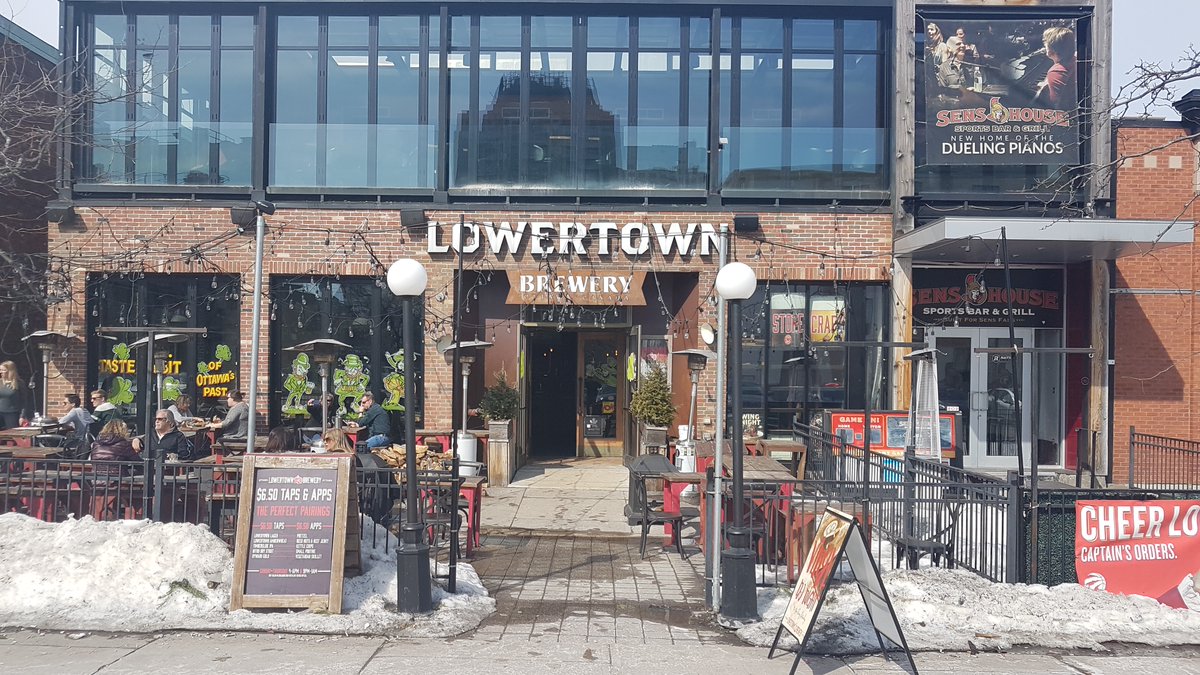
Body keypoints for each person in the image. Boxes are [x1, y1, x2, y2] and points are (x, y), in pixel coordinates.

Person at [1035, 26, 1076, 110]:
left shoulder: (1055, 72)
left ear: (1051, 50)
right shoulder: (1075, 58)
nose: (1044, 47)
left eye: (1046, 44)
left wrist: (1043, 91)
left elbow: (1056, 105)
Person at [0, 361, 29, 429]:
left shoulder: (19, 383)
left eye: (3, 370)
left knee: (11, 435)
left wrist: (22, 416)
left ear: (10, 371)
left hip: (12, 414)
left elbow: (24, 401)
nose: (0, 372)